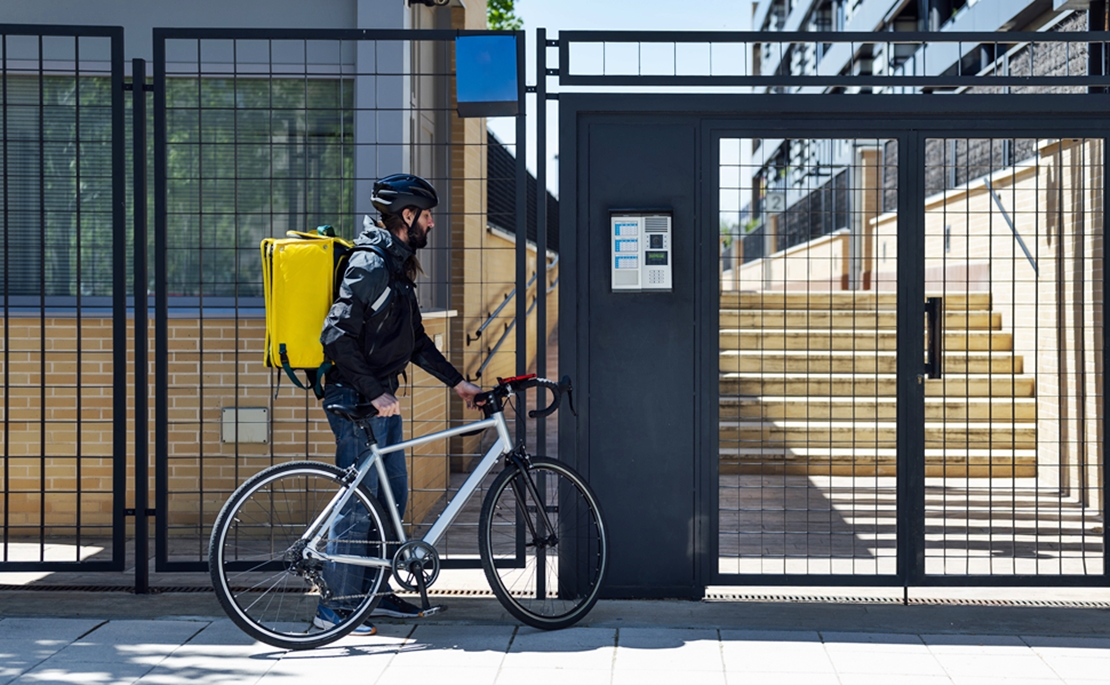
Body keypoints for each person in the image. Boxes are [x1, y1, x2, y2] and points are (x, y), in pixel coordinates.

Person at [315, 173, 482, 635]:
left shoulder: (397, 263)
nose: (432, 223)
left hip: (379, 400)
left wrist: (459, 385)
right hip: (356, 400)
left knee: (392, 497)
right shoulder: (370, 265)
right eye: (427, 215)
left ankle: (375, 593)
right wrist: (373, 391)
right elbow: (335, 337)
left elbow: (416, 342)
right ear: (406, 216)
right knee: (359, 503)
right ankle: (335, 608)